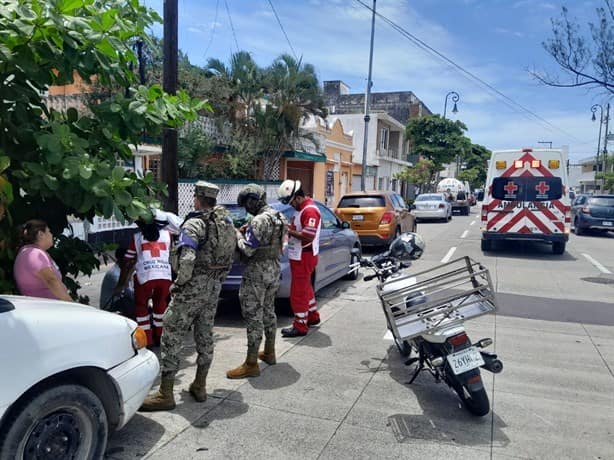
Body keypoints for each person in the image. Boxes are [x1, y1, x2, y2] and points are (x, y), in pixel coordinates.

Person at [140, 181, 237, 411]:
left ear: (197, 198)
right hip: (213, 287)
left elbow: (187, 259)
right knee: (204, 334)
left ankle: (165, 393)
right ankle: (200, 385)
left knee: (171, 334)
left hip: (192, 287)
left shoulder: (194, 223)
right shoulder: (225, 222)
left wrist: (179, 283)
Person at [226, 184, 287, 379]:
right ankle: (269, 351)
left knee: (253, 315)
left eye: (246, 204)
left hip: (257, 272)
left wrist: (237, 234)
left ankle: (251, 363)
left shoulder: (259, 221)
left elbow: (247, 249)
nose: (246, 209)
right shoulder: (279, 216)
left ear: (252, 201)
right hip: (274, 268)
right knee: (269, 310)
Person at [116, 217, 173, 347]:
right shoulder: (167, 235)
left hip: (145, 277)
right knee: (160, 305)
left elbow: (127, 260)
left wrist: (121, 283)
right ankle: (160, 335)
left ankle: (147, 339)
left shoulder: (137, 237)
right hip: (164, 276)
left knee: (141, 307)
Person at [277, 179, 321, 337]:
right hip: (301, 256)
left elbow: (308, 236)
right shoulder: (302, 209)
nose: (291, 205)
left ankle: (300, 325)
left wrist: (287, 231)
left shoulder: (309, 211)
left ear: (297, 197)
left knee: (298, 293)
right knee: (306, 288)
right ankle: (312, 316)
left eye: (291, 202)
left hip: (305, 256)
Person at [13, 219, 72, 301]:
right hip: (48, 309)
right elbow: (51, 280)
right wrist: (70, 302)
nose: (51, 235)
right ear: (41, 234)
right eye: (49, 231)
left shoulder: (27, 252)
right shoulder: (34, 254)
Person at [99, 246, 135, 317]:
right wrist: (131, 271)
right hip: (109, 307)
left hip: (119, 303)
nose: (132, 261)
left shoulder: (124, 270)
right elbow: (128, 292)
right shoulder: (114, 274)